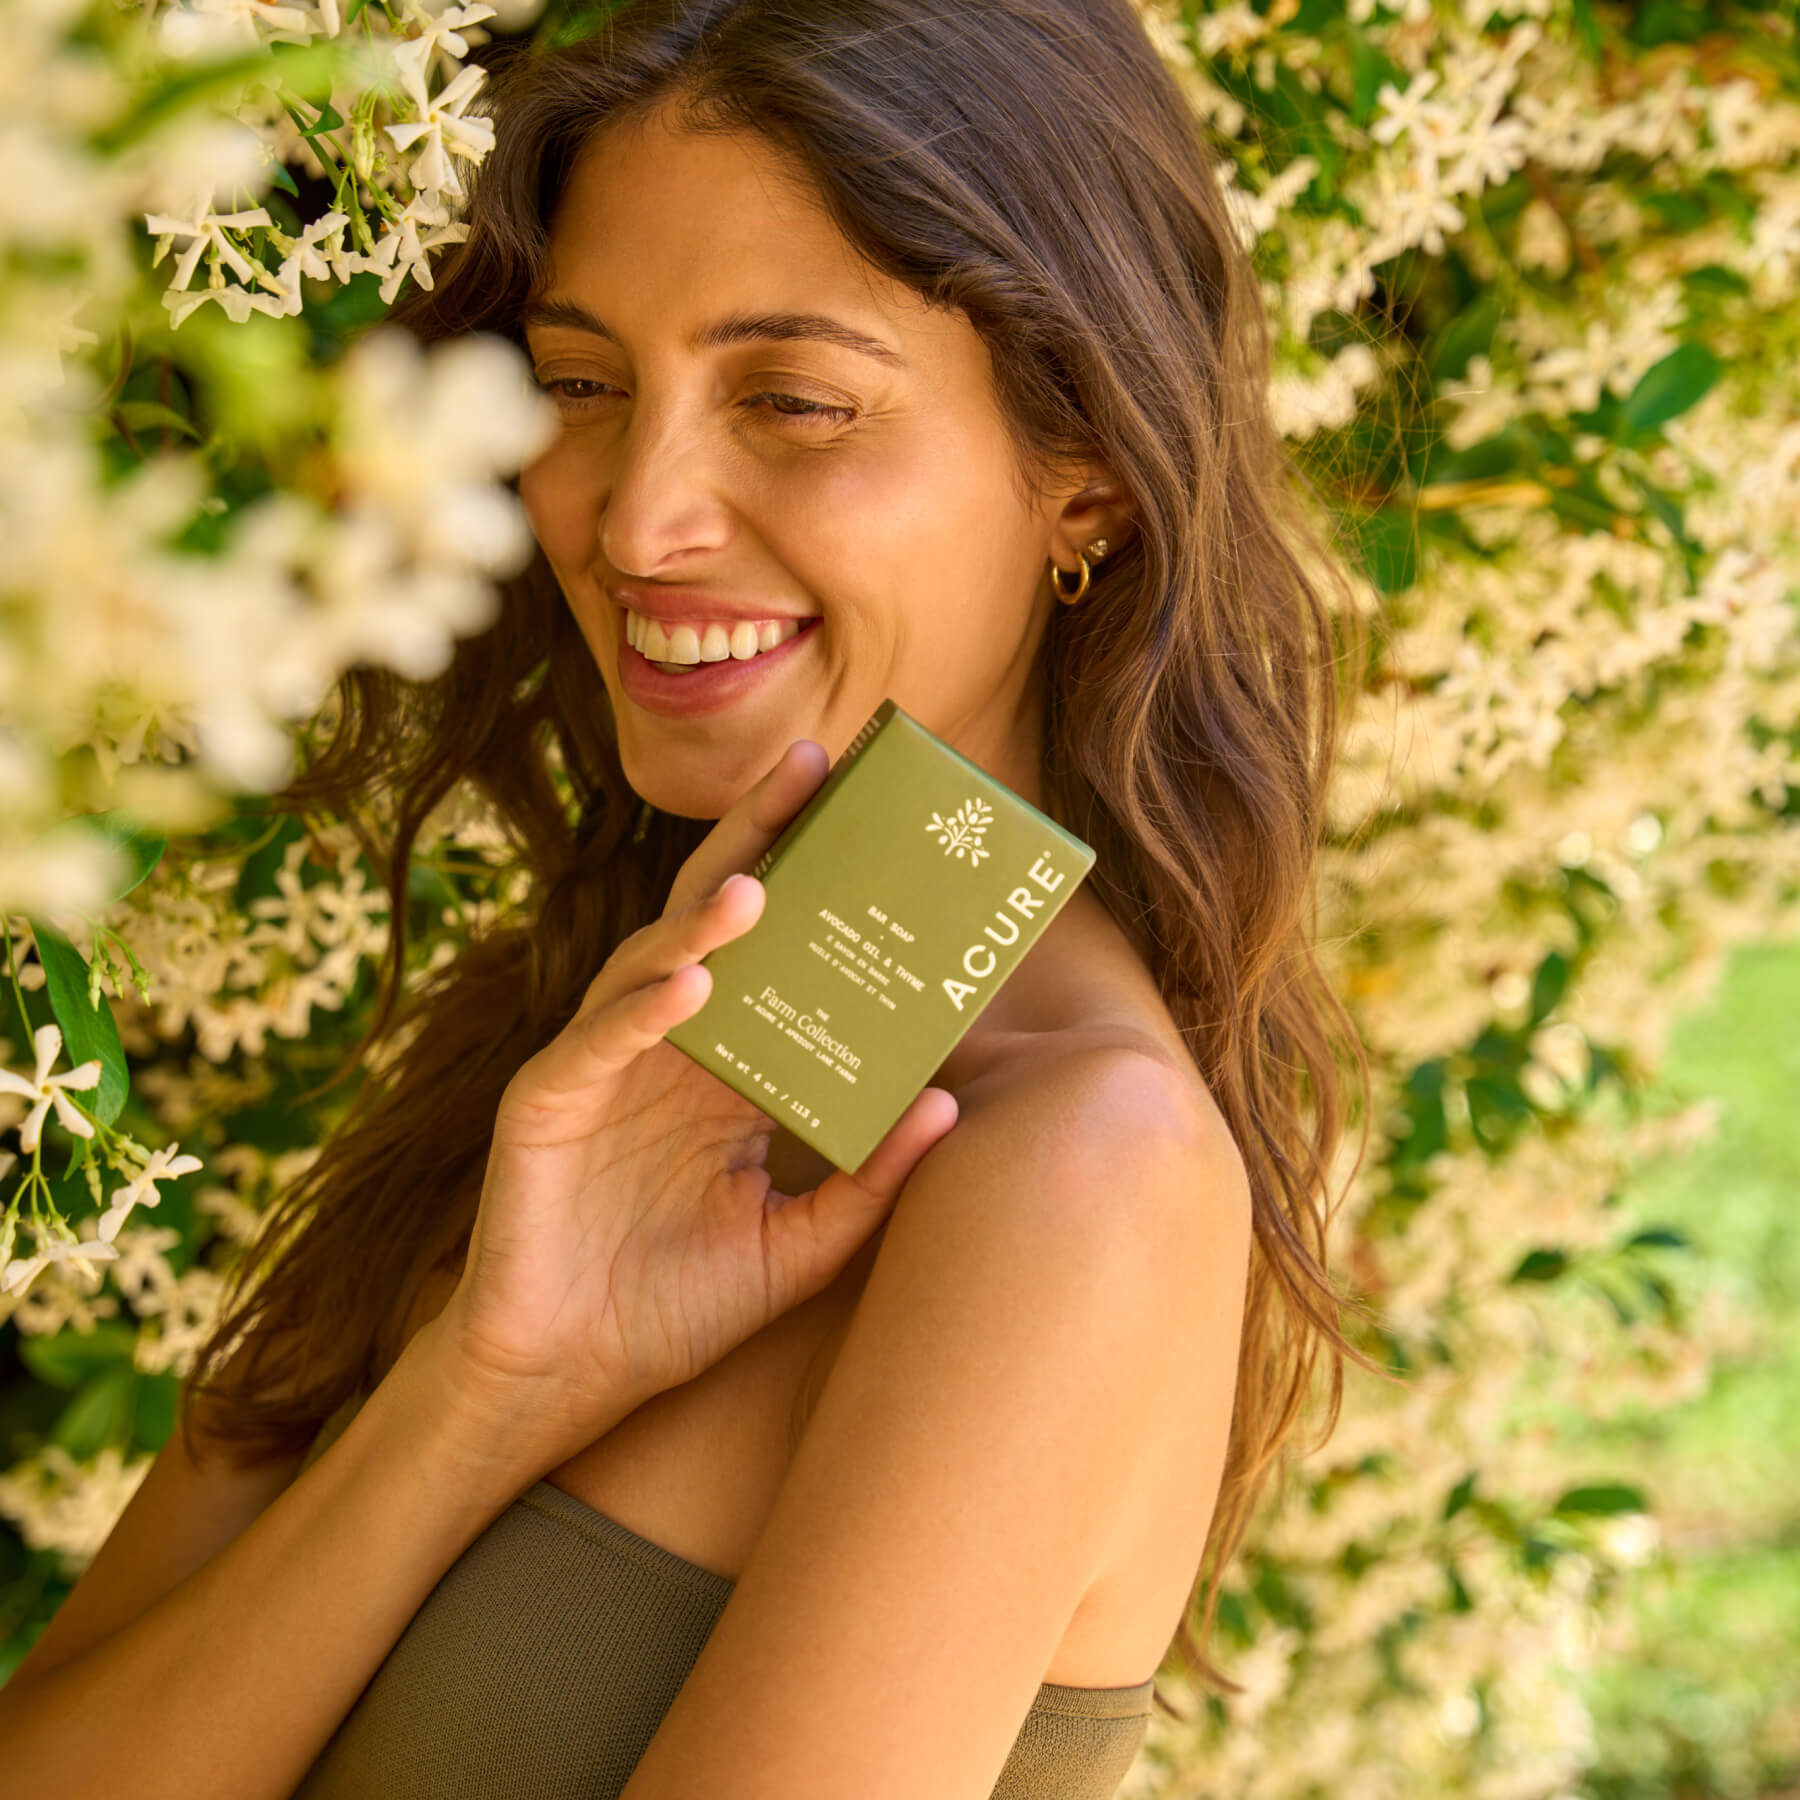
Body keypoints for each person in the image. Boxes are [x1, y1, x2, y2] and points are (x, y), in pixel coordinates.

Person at [0, 1, 1372, 1795]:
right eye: (580, 383)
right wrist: (488, 1391)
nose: (634, 518)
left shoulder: (1077, 1172)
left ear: (1090, 476)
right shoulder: (580, 1017)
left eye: (794, 403)